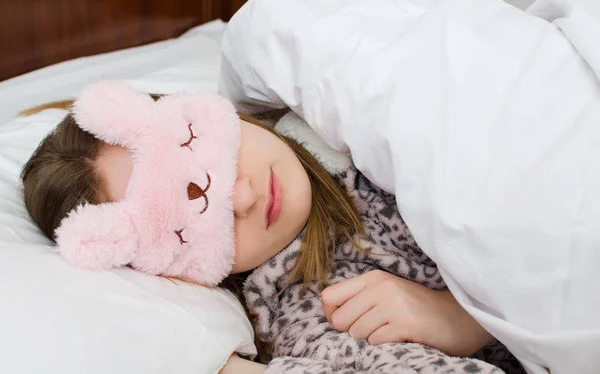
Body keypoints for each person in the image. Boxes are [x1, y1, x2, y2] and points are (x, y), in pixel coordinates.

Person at [21, 89, 524, 374]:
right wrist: (473, 325)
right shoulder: (308, 309)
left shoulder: (336, 96)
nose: (241, 197)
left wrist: (473, 317)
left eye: (197, 148)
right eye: (184, 228)